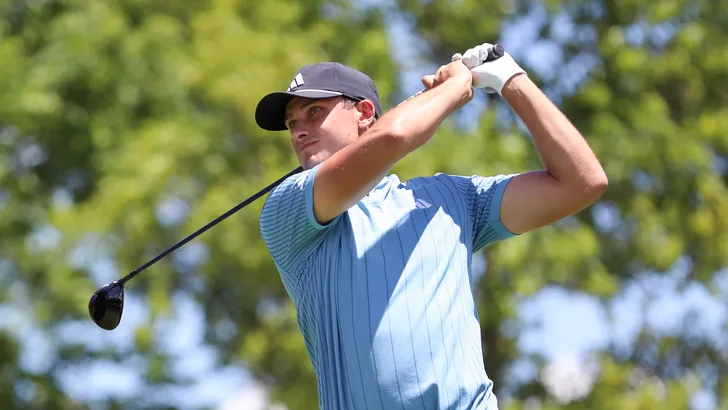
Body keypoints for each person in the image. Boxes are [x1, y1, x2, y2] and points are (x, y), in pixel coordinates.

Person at [255, 43, 608, 410]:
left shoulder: (452, 198)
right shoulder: (286, 211)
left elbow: (582, 182)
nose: (298, 131)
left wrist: (509, 78)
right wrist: (455, 88)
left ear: (364, 112)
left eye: (314, 111)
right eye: (292, 123)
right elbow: (391, 138)